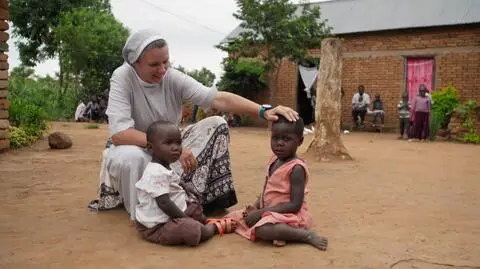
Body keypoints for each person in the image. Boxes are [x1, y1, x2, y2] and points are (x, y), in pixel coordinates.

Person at [88, 29, 299, 220]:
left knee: (217, 124)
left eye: (166, 62)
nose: (162, 70)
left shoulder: (172, 77)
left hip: (169, 150)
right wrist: (168, 148)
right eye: (154, 64)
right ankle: (145, 216)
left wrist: (263, 110)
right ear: (135, 64)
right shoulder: (122, 78)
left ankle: (189, 198)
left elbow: (218, 99)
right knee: (129, 157)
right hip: (138, 148)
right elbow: (120, 134)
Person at [226, 116, 328, 250]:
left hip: (289, 215)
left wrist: (261, 213)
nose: (279, 143)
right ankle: (282, 234)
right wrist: (256, 205)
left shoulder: (296, 168)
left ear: (300, 141)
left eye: (286, 139)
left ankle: (305, 235)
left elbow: (294, 205)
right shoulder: (275, 159)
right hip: (270, 212)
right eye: (275, 138)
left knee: (262, 229)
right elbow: (269, 187)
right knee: (236, 216)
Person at [135, 120, 237, 246]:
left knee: (194, 205)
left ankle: (206, 222)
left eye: (178, 142)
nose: (176, 147)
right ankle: (212, 229)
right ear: (151, 147)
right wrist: (184, 218)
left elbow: (175, 179)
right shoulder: (155, 172)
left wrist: (186, 187)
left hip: (173, 214)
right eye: (168, 143)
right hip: (158, 225)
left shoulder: (164, 166)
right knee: (189, 229)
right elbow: (164, 203)